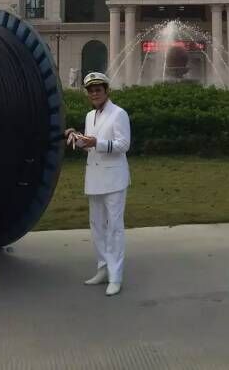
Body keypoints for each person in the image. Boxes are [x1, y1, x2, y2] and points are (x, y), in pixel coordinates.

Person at [65, 71, 131, 296]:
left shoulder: (118, 114)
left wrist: (98, 143)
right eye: (91, 91)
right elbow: (90, 145)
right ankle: (103, 267)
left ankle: (116, 276)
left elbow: (124, 144)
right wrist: (76, 137)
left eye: (98, 90)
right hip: (94, 177)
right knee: (97, 226)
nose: (94, 94)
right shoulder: (89, 116)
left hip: (114, 179)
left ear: (106, 91)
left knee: (114, 228)